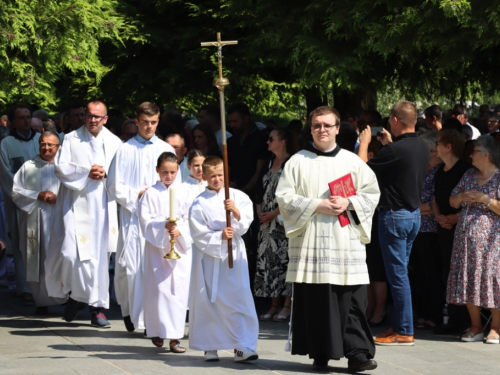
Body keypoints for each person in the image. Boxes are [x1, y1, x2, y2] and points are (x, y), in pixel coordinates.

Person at [276, 106, 380, 372]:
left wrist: (349, 201)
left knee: (352, 299)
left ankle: (358, 354)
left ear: (337, 128)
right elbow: (285, 198)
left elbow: (372, 194)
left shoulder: (352, 161)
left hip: (345, 242)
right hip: (311, 241)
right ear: (310, 129)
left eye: (327, 125)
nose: (322, 129)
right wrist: (316, 205)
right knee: (317, 299)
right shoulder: (297, 161)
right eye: (317, 125)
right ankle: (319, 351)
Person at [45, 100, 122, 327]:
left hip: (103, 206)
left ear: (105, 119)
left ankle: (96, 309)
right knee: (71, 254)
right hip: (75, 205)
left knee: (98, 258)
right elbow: (60, 168)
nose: (93, 120)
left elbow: (121, 170)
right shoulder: (70, 139)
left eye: (98, 117)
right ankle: (74, 295)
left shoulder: (114, 142)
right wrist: (87, 172)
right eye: (89, 116)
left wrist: (106, 171)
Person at [358, 101, 429, 346]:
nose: (388, 123)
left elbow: (360, 172)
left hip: (394, 216)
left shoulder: (395, 150)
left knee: (397, 276)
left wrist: (365, 143)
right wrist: (389, 144)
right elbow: (403, 162)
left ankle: (405, 331)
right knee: (401, 275)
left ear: (396, 121)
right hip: (412, 216)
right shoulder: (422, 146)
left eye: (389, 120)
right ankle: (400, 325)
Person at [107, 102, 179, 332]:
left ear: (158, 121)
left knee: (155, 268)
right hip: (133, 217)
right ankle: (130, 312)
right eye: (145, 122)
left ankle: (151, 320)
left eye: (154, 122)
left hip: (158, 219)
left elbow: (174, 181)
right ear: (136, 121)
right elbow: (113, 186)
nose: (149, 127)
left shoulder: (165, 148)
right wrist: (136, 195)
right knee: (131, 267)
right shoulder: (125, 149)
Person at [188, 156, 259, 363]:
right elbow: (197, 232)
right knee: (211, 299)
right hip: (210, 258)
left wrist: (235, 211)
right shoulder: (199, 202)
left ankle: (242, 347)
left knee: (238, 298)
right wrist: (219, 236)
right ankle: (210, 346)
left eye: (220, 175)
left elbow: (246, 222)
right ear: (204, 176)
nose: (217, 179)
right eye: (212, 176)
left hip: (234, 255)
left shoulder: (238, 196)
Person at [447, 136, 500, 343]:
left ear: (486, 155)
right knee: (469, 279)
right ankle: (476, 326)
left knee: (493, 279)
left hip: (492, 242)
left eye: (475, 151)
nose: (470, 155)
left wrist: (485, 199)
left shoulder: (498, 178)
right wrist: (460, 198)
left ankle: (496, 327)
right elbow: (452, 201)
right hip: (466, 241)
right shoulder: (469, 175)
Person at [139, 152, 191, 351]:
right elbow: (145, 220)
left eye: (172, 172)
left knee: (177, 291)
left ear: (178, 170)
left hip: (180, 247)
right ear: (157, 171)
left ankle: (175, 337)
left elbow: (190, 219)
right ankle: (158, 330)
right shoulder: (150, 193)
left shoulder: (185, 192)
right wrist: (163, 225)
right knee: (159, 290)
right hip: (157, 249)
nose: (169, 176)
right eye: (164, 172)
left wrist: (179, 230)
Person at [11, 131, 66, 314]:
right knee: (37, 260)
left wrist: (61, 198)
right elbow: (16, 192)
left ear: (58, 147)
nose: (46, 147)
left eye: (51, 145)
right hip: (36, 222)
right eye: (43, 144)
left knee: (61, 259)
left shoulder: (65, 167)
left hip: (60, 222)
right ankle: (41, 301)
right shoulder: (28, 167)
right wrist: (38, 195)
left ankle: (64, 298)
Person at [0, 104, 41, 306]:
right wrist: (23, 196)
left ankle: (42, 287)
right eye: (21, 118)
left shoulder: (39, 140)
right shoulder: (6, 144)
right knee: (20, 244)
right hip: (17, 202)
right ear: (13, 122)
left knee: (40, 244)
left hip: (42, 202)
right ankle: (24, 287)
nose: (26, 121)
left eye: (28, 116)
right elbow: (6, 174)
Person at [432, 129, 471, 334]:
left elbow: (470, 200)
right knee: (447, 270)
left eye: (438, 143)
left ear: (449, 147)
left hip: (461, 226)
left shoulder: (465, 170)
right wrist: (439, 216)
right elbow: (436, 200)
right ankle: (453, 318)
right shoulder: (440, 170)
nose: (435, 147)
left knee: (461, 270)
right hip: (443, 227)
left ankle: (465, 319)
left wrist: (454, 217)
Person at [254, 128, 295, 322]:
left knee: (285, 263)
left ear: (282, 141)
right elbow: (259, 190)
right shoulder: (269, 162)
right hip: (266, 224)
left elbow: (294, 195)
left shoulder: (292, 163)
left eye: (271, 139)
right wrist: (260, 211)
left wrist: (274, 213)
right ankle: (273, 304)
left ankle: (286, 305)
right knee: (270, 264)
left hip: (283, 223)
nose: (267, 142)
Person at [410, 131, 442, 330]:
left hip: (431, 230)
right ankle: (422, 313)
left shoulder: (439, 171)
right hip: (416, 229)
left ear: (432, 151)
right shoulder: (421, 170)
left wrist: (410, 209)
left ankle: (434, 314)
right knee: (418, 274)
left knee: (432, 274)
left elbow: (433, 204)